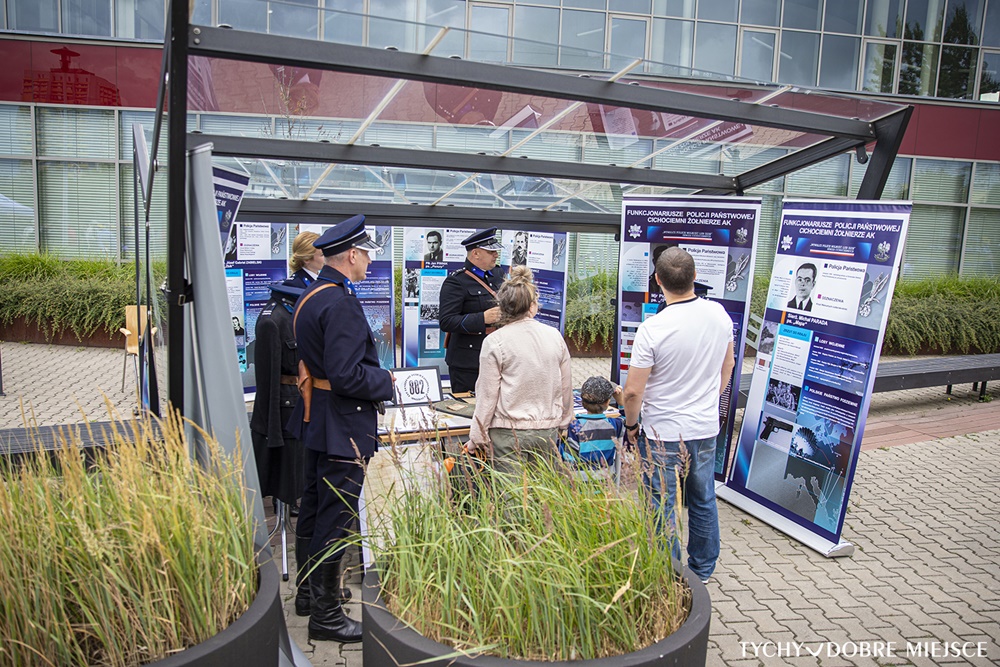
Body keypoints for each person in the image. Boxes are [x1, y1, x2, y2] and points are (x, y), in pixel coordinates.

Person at [287, 214, 395, 643]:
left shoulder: (312, 295)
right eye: (366, 253)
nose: (369, 260)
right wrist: (386, 381)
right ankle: (327, 618)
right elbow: (348, 375)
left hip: (320, 421)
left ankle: (310, 597)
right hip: (342, 424)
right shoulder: (342, 303)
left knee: (313, 512)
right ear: (351, 255)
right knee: (334, 519)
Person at [622, 247, 735, 584]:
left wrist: (630, 426)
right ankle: (701, 571)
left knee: (661, 504)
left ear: (658, 281)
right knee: (703, 498)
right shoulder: (719, 315)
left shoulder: (652, 329)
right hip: (704, 427)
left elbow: (632, 391)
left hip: (662, 432)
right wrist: (706, 402)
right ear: (695, 277)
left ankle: (670, 573)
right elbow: (727, 367)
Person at [467, 266, 574, 473]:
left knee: (511, 501)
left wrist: (477, 437)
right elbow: (565, 386)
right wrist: (564, 422)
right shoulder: (554, 336)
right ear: (533, 307)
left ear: (502, 307)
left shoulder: (494, 341)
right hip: (547, 431)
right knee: (543, 499)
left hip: (507, 434)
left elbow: (487, 396)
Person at [249, 281, 312, 613]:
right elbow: (268, 384)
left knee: (301, 489)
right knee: (289, 489)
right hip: (283, 418)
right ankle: (284, 543)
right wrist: (272, 435)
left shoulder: (295, 314)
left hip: (301, 409)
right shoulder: (272, 321)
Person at [438, 227, 505, 394]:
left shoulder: (498, 274)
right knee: (468, 410)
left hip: (497, 355)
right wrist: (482, 318)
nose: (496, 255)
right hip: (468, 362)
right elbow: (446, 321)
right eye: (491, 251)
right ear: (475, 254)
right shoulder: (456, 282)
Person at [561, 376, 624, 482]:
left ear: (582, 401)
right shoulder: (614, 424)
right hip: (604, 480)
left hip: (579, 482)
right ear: (608, 402)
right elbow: (628, 418)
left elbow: (567, 457)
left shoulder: (575, 426)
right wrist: (621, 401)